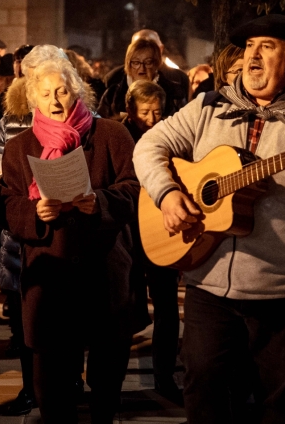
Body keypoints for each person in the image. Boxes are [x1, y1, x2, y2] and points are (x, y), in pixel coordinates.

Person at [133, 14, 285, 423]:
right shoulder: (210, 106)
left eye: (265, 47)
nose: (252, 56)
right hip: (208, 278)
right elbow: (149, 146)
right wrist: (166, 194)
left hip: (283, 287)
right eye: (249, 46)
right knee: (202, 393)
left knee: (276, 406)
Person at [0, 50, 141, 424]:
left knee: (106, 381)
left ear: (77, 90)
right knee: (52, 386)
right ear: (32, 99)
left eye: (61, 91)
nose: (55, 101)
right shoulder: (19, 147)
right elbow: (6, 203)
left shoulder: (111, 133)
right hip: (50, 281)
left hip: (105, 274)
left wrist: (102, 202)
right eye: (45, 94)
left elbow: (136, 187)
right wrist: (34, 213)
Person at [122, 80, 181, 402]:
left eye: (157, 111)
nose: (152, 118)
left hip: (161, 229)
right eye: (145, 112)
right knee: (124, 304)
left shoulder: (169, 135)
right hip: (130, 232)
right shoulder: (120, 135)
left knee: (167, 306)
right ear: (131, 110)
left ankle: (164, 376)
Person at [98, 38, 184, 120]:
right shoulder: (113, 94)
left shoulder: (175, 93)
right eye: (136, 62)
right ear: (128, 64)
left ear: (157, 63)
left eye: (148, 62)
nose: (142, 68)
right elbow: (102, 125)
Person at [104, 29, 190, 104]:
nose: (142, 68)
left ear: (160, 49)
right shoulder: (113, 81)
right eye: (138, 47)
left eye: (148, 62)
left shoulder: (178, 82)